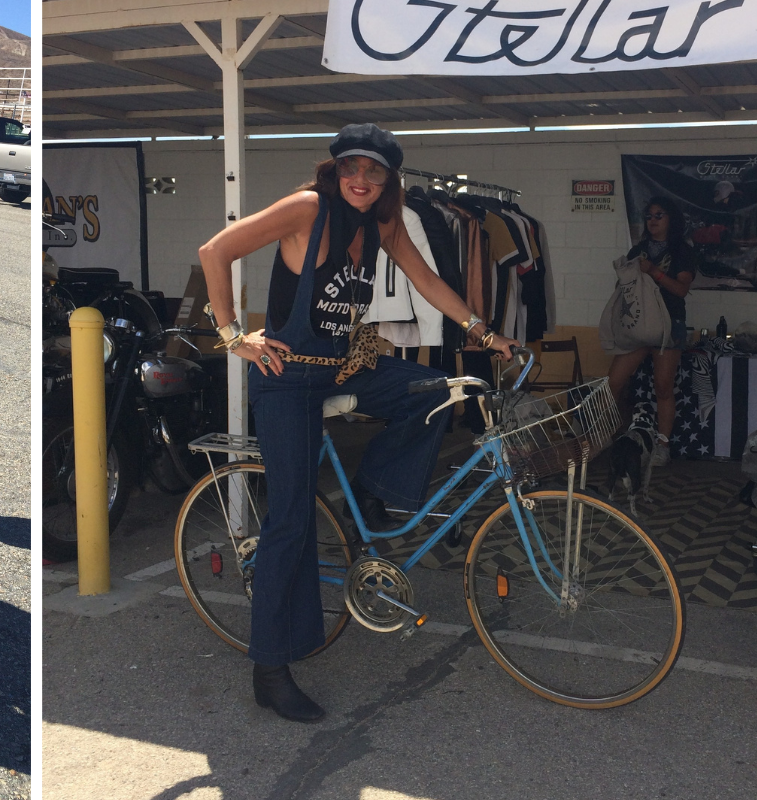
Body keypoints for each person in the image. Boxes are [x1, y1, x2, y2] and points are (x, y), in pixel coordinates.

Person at [197, 124, 518, 725]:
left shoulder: (384, 224)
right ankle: (269, 669)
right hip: (288, 376)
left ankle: (370, 496)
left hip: (345, 366)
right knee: (289, 521)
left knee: (434, 391)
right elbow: (215, 251)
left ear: (390, 179)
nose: (362, 181)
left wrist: (484, 332)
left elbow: (427, 282)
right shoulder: (307, 209)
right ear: (334, 168)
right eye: (353, 167)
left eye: (375, 172)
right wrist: (232, 335)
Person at [607, 199, 696, 465]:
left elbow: (681, 290)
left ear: (672, 219)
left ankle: (662, 445)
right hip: (638, 323)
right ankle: (611, 434)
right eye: (648, 216)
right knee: (613, 383)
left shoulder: (682, 250)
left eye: (659, 215)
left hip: (670, 325)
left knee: (663, 387)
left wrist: (654, 272)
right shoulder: (639, 249)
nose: (653, 220)